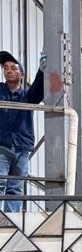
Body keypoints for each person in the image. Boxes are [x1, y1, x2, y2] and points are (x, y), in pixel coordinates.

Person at [0, 50, 47, 213]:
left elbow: (38, 91)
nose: (8, 71)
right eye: (5, 68)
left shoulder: (27, 96)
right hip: (2, 146)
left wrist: (42, 72)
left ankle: (10, 221)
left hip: (21, 148)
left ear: (22, 74)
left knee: (15, 188)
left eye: (13, 68)